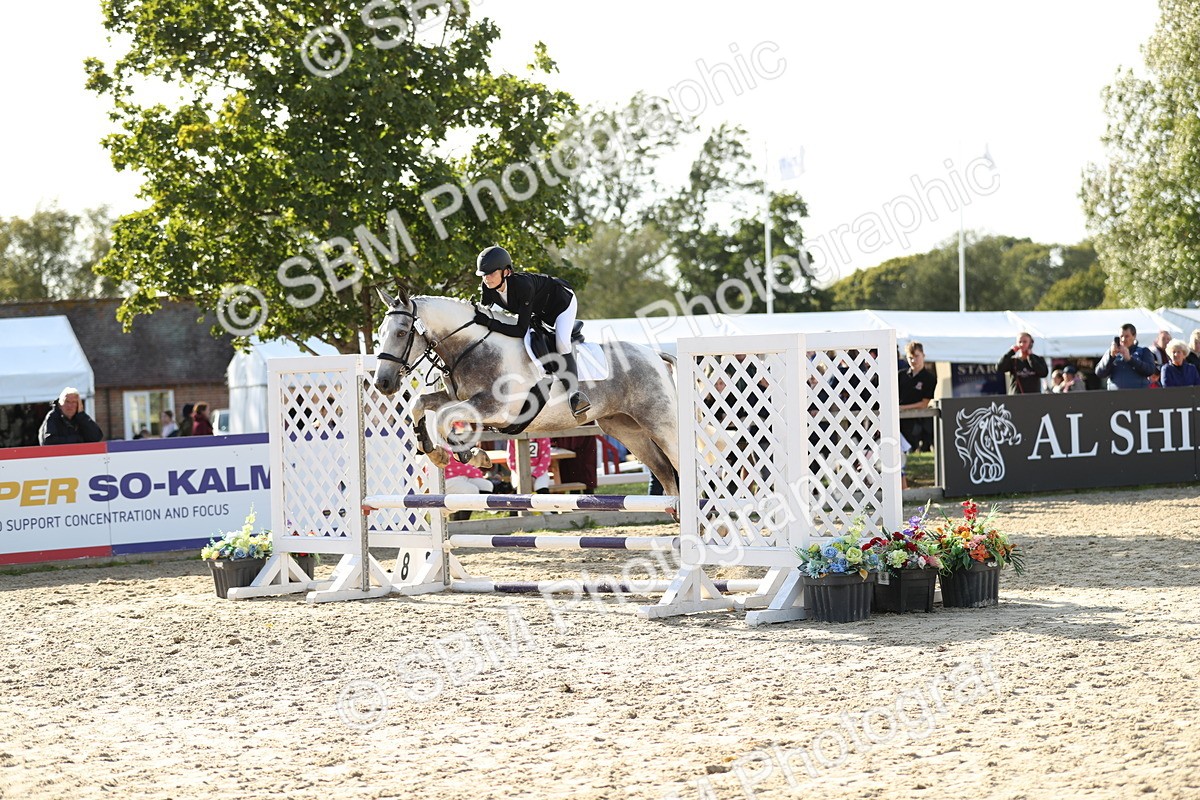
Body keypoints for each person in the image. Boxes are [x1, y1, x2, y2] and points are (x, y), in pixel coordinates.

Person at [474, 244, 591, 417]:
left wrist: (490, 323)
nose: (486, 279)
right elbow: (485, 311)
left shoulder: (523, 286)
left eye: (491, 273)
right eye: (484, 274)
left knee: (562, 343)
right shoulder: (488, 287)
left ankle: (575, 395)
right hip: (539, 309)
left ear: (506, 272)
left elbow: (520, 330)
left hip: (561, 303)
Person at [897, 341, 937, 452]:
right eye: (910, 358)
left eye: (916, 356)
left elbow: (924, 404)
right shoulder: (900, 375)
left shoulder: (929, 378)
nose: (914, 360)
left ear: (923, 355)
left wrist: (902, 408)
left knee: (911, 449)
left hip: (917, 421)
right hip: (898, 420)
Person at [1095, 323, 1156, 390]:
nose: (1123, 339)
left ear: (1134, 336)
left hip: (1137, 393)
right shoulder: (1112, 352)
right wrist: (1111, 357)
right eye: (1121, 336)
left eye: (1127, 336)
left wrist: (1130, 359)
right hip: (1115, 394)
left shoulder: (1143, 351)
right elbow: (1099, 373)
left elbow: (1150, 370)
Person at [38, 387, 103, 445]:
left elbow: (97, 437)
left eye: (74, 402)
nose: (70, 406)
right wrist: (75, 439)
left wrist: (81, 415)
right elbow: (48, 441)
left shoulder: (81, 419)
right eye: (67, 402)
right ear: (60, 404)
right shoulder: (53, 417)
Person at [443, 447, 494, 521]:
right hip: (447, 479)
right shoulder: (444, 448)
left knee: (486, 485)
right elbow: (462, 468)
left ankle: (487, 505)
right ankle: (457, 520)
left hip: (462, 476)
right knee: (471, 490)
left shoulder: (457, 445)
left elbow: (465, 467)